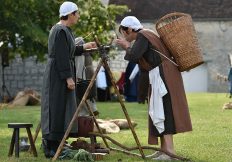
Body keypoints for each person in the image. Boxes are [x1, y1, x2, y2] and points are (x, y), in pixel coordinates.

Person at [115, 16, 192, 160]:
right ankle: (164, 150)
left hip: (164, 75)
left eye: (125, 33)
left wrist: (126, 46)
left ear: (130, 29)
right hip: (162, 74)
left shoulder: (143, 35)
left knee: (164, 111)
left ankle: (170, 151)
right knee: (159, 111)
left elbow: (134, 56)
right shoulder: (147, 33)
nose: (125, 36)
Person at [41, 1, 96, 158]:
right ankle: (50, 146)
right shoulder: (60, 31)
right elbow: (61, 56)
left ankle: (57, 144)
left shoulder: (65, 30)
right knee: (56, 108)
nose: (78, 16)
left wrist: (85, 47)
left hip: (60, 73)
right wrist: (68, 78)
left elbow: (68, 51)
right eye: (77, 13)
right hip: (57, 75)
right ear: (70, 14)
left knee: (62, 107)